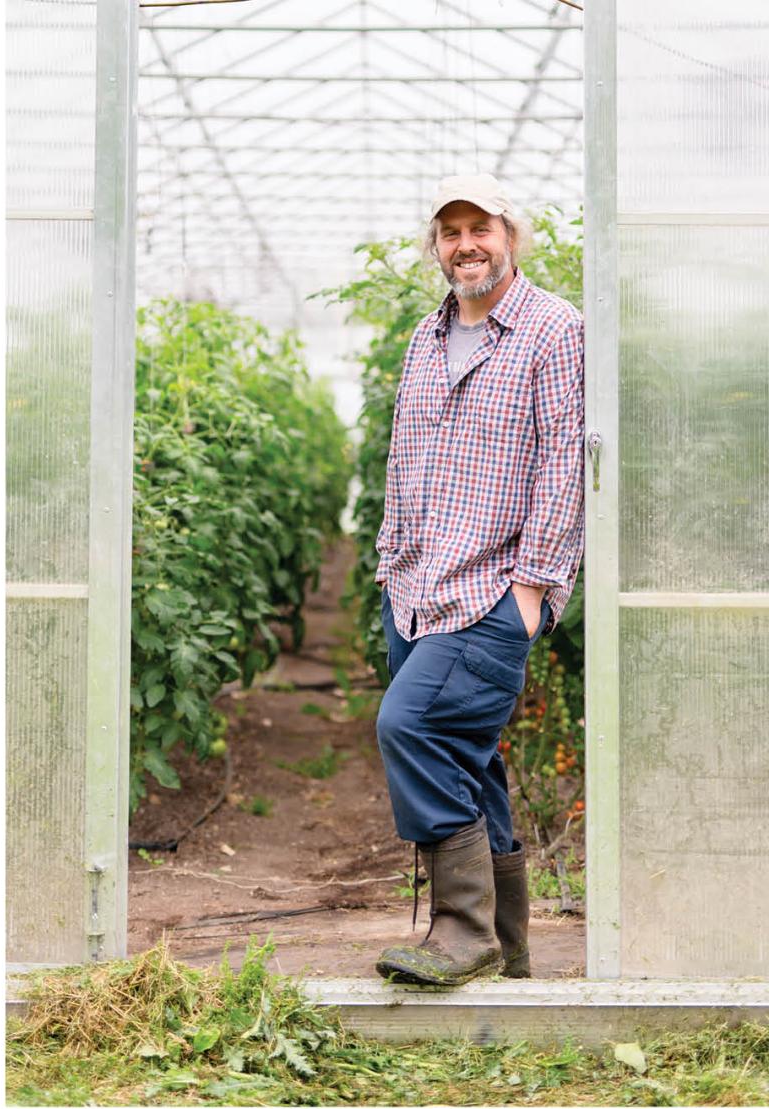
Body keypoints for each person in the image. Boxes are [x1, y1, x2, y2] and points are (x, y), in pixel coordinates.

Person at [371, 175, 584, 986]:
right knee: (470, 760)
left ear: (511, 236)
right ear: (436, 246)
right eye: (450, 230)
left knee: (410, 727)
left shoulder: (552, 329)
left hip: (493, 586)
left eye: (481, 227)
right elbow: (403, 458)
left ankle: (464, 933)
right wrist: (392, 567)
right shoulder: (424, 338)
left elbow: (565, 458)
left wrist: (532, 588)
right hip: (416, 587)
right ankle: (510, 952)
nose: (466, 243)